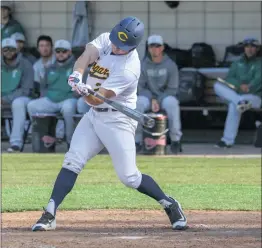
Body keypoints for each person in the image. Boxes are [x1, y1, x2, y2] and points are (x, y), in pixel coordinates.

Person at [31, 16, 187, 232]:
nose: (116, 47)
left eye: (122, 46)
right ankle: (50, 213)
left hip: (118, 121)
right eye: (115, 41)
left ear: (133, 46)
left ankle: (169, 203)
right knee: (72, 161)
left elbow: (97, 97)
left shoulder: (129, 68)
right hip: (94, 116)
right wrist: (77, 75)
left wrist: (85, 92)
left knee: (129, 177)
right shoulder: (108, 39)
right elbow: (87, 55)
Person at [136, 35, 182, 154]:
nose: (155, 49)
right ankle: (137, 141)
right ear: (148, 48)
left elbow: (173, 88)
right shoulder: (142, 64)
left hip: (165, 97)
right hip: (148, 98)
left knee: (172, 103)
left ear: (162, 48)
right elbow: (140, 87)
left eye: (157, 46)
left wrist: (158, 99)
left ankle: (175, 140)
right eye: (152, 46)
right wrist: (152, 99)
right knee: (139, 102)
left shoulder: (171, 65)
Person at [27, 40, 78, 148]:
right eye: (58, 51)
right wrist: (47, 96)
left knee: (69, 109)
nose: (60, 54)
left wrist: (70, 96)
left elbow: (80, 89)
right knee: (32, 106)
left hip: (68, 99)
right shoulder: (49, 67)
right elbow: (44, 87)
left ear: (69, 52)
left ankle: (71, 143)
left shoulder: (77, 66)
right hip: (51, 100)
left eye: (63, 51)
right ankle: (45, 137)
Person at [214, 37, 262, 148]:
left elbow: (258, 80)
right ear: (244, 49)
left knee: (234, 104)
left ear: (257, 49)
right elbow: (229, 78)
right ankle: (240, 101)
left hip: (254, 97)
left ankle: (227, 141)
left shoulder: (260, 63)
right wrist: (239, 86)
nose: (249, 49)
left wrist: (248, 86)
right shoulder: (237, 63)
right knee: (218, 86)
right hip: (239, 95)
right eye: (247, 47)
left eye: (252, 47)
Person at [1, 38, 34, 152]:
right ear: (1, 51)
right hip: (2, 99)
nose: (9, 52)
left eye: (11, 49)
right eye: (6, 49)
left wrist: (6, 99)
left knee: (18, 103)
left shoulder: (26, 64)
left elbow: (26, 89)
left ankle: (16, 144)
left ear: (17, 50)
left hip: (23, 98)